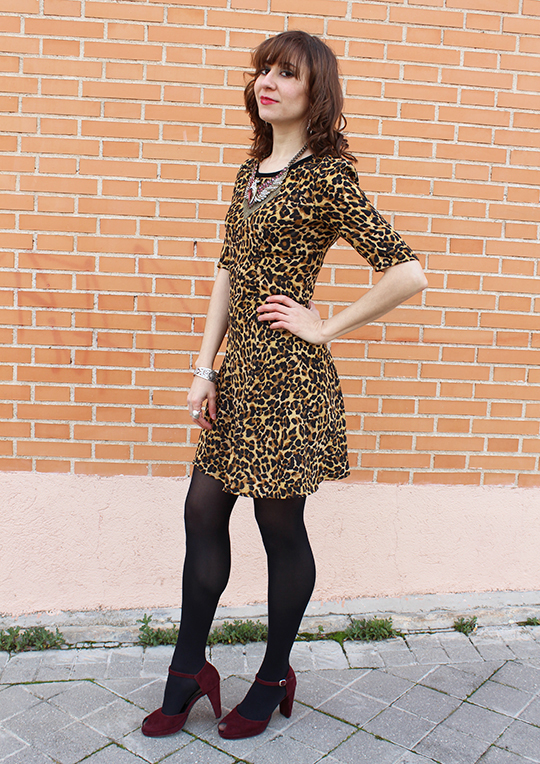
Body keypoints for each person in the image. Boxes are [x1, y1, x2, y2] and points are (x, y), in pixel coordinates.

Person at [141, 30, 427, 741]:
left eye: (286, 73)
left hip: (291, 384)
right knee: (202, 511)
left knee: (279, 526)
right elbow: (227, 271)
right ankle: (188, 669)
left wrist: (324, 327)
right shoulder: (251, 173)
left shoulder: (327, 177)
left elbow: (406, 272)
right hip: (239, 378)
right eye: (262, 70)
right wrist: (205, 368)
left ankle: (273, 675)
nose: (267, 81)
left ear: (315, 90)